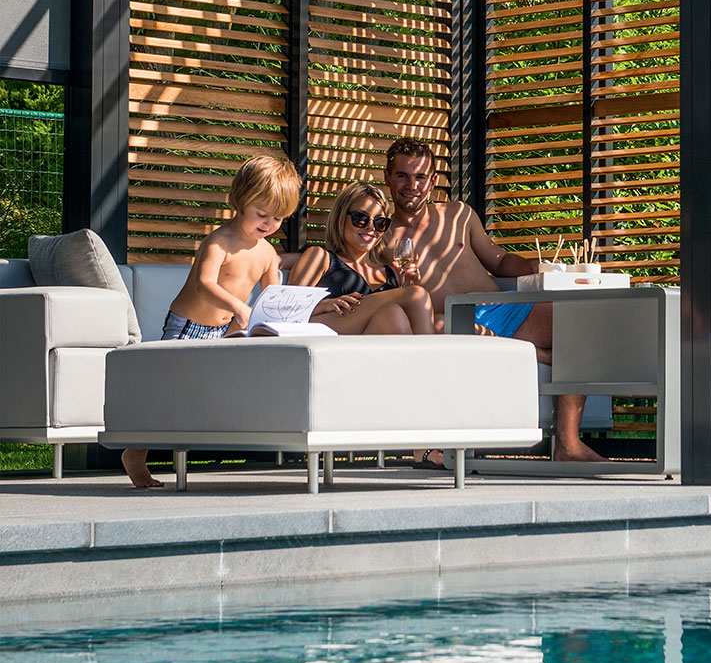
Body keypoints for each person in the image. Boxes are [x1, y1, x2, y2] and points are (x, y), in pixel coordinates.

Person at [121, 152, 354, 489]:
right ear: (240, 201)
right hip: (188, 326)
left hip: (225, 328)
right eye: (262, 214)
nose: (269, 224)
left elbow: (275, 300)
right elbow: (204, 285)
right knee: (170, 391)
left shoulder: (267, 253)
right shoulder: (219, 242)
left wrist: (323, 306)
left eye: (278, 219)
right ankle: (136, 452)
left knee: (215, 388)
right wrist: (241, 307)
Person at [379, 137, 604, 465]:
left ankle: (568, 444)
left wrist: (533, 266)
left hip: (507, 308)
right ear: (387, 177)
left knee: (574, 318)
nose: (412, 185)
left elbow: (497, 262)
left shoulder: (459, 215)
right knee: (438, 326)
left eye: (420, 177)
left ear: (433, 180)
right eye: (402, 176)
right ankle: (538, 355)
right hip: (454, 320)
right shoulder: (382, 238)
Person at [287, 181, 435, 338]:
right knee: (417, 295)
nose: (371, 228)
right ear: (341, 217)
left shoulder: (392, 273)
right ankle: (436, 360)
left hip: (371, 353)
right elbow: (285, 309)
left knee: (393, 314)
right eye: (361, 218)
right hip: (330, 338)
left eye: (380, 222)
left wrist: (407, 285)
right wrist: (323, 304)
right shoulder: (321, 257)